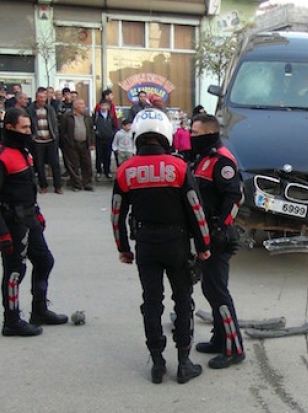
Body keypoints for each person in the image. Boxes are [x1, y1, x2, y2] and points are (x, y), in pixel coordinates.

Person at [111, 108, 211, 384]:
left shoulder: (125, 170)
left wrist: (123, 247)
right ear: (166, 135)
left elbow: (116, 213)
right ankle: (183, 362)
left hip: (145, 244)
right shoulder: (178, 167)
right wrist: (203, 245)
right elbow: (196, 210)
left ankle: (157, 363)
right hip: (176, 243)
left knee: (151, 302)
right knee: (183, 301)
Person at [0, 107, 68, 337]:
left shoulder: (23, 151)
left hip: (29, 218)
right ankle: (11, 320)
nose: (29, 131)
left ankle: (39, 310)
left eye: (30, 126)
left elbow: (27, 188)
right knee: (14, 271)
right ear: (10, 128)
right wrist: (2, 234)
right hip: (12, 223)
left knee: (45, 261)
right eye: (24, 127)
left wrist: (37, 213)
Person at [190, 114, 245, 369]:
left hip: (217, 236)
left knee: (219, 292)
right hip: (205, 234)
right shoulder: (204, 158)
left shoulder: (223, 160)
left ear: (210, 134)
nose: (191, 137)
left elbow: (234, 197)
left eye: (195, 133)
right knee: (210, 290)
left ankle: (234, 349)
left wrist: (221, 229)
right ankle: (219, 338)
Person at [26, 90, 62, 194]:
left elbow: (54, 123)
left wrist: (55, 136)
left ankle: (58, 186)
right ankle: (43, 186)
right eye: (40, 97)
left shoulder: (49, 109)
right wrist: (32, 137)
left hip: (50, 140)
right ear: (36, 98)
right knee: (39, 165)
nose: (42, 99)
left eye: (44, 97)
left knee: (55, 164)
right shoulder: (30, 110)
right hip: (37, 141)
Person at [60, 99, 95, 191]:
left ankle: (87, 183)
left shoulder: (87, 116)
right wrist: (66, 142)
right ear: (75, 106)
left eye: (83, 104)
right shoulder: (67, 116)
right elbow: (63, 131)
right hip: (72, 144)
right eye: (81, 104)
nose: (83, 106)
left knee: (87, 164)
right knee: (74, 165)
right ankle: (76, 184)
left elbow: (91, 130)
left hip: (84, 144)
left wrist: (91, 143)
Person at [93, 99, 117, 180]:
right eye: (102, 105)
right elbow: (92, 126)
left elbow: (114, 126)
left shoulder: (111, 116)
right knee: (99, 156)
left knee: (108, 156)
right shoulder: (96, 116)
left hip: (109, 139)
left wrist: (112, 133)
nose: (104, 107)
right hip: (99, 139)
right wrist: (96, 133)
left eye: (106, 105)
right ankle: (98, 171)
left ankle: (107, 171)